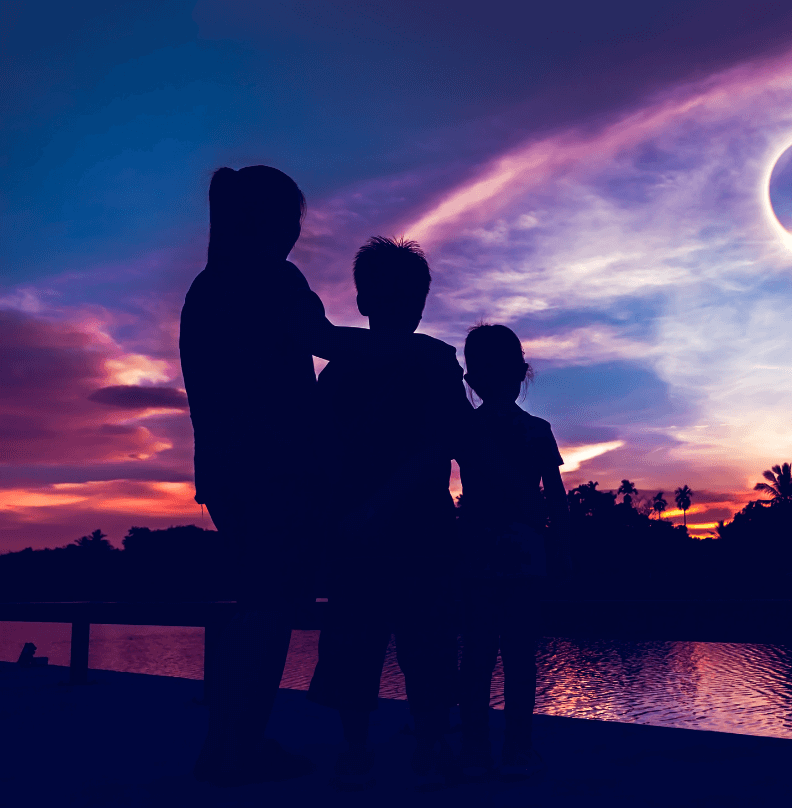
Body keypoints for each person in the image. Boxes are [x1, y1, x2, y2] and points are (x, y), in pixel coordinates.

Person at [180, 165, 370, 787]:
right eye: (292, 221)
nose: (295, 234)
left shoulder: (206, 288)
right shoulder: (276, 280)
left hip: (227, 474)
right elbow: (323, 341)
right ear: (274, 223)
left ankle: (229, 741)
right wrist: (401, 347)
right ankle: (234, 748)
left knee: (253, 605)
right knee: (268, 608)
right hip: (278, 476)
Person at [306, 236, 470, 790]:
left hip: (394, 525)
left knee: (411, 639)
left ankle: (391, 745)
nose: (407, 305)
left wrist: (361, 511)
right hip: (389, 525)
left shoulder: (427, 361)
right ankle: (410, 744)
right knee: (389, 639)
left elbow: (437, 447)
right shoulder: (430, 360)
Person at [456, 324, 570, 779]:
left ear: (473, 378)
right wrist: (561, 553)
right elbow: (557, 500)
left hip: (477, 554)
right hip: (524, 554)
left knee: (478, 657)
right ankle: (517, 748)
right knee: (519, 657)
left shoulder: (465, 429)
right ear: (521, 372)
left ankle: (476, 750)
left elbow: (558, 499)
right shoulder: (537, 431)